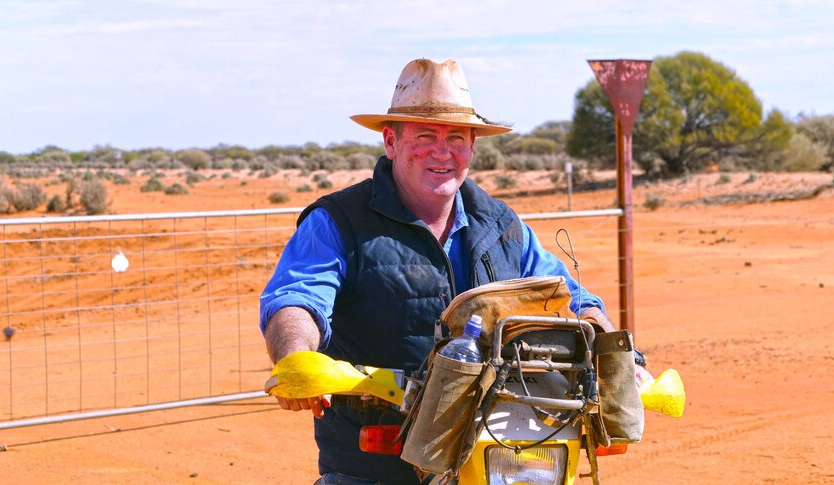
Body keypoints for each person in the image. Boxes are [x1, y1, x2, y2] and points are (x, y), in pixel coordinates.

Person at [260, 58, 649, 485]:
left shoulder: (503, 226)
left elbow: (572, 299)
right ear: (391, 142)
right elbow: (297, 300)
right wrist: (296, 357)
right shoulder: (338, 222)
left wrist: (620, 358)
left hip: (500, 454)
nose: (442, 151)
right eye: (425, 135)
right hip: (376, 466)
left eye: (456, 138)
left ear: (472, 147)